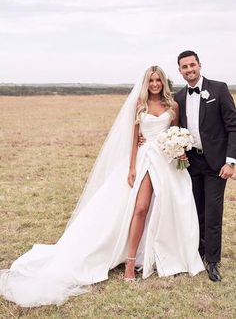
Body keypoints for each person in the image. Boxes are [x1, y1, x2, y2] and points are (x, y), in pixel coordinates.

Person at [0, 66, 204, 307]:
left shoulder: (173, 107)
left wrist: (178, 149)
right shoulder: (139, 107)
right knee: (140, 208)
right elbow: (134, 139)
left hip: (166, 161)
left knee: (166, 208)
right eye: (152, 80)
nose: (156, 84)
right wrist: (131, 167)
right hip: (145, 159)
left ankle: (159, 254)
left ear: (164, 82)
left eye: (159, 79)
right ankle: (129, 262)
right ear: (146, 83)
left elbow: (174, 131)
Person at [175, 50, 236, 282]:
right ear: (180, 70)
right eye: (184, 67)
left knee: (212, 212)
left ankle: (212, 261)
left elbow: (233, 126)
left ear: (199, 65)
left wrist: (230, 162)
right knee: (195, 211)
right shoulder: (179, 97)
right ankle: (197, 253)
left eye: (192, 65)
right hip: (191, 163)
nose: (189, 70)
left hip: (217, 164)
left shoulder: (218, 89)